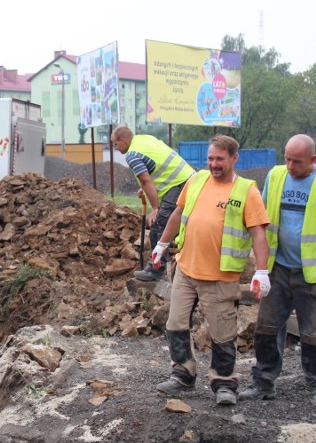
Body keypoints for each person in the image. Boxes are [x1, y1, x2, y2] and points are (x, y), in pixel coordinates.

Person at [152, 135, 271, 406]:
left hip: (219, 277)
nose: (214, 164)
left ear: (234, 158)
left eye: (220, 159)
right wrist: (162, 243)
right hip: (186, 269)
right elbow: (178, 214)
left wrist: (261, 271)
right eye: (210, 159)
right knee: (176, 325)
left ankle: (224, 382)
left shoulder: (246, 192)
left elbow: (259, 234)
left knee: (222, 332)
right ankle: (182, 374)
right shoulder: (196, 181)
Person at [239, 134, 316, 409]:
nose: (290, 165)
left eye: (296, 161)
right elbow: (261, 221)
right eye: (287, 158)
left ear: (313, 160)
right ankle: (263, 382)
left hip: (312, 273)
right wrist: (261, 268)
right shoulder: (276, 177)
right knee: (266, 328)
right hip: (278, 269)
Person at [110, 126, 196, 281]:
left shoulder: (132, 155)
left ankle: (156, 270)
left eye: (115, 144)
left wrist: (155, 207)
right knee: (181, 225)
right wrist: (146, 188)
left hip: (178, 185)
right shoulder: (145, 139)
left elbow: (145, 179)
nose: (115, 148)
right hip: (189, 179)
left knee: (158, 225)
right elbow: (156, 167)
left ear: (122, 140)